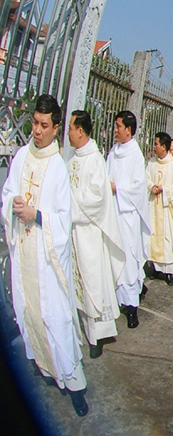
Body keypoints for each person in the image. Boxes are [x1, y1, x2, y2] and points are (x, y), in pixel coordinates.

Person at [1, 94, 89, 415]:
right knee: (31, 313)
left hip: (47, 258)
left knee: (57, 319)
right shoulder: (22, 155)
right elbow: (9, 191)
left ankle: (76, 385)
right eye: (35, 124)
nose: (37, 131)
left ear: (55, 128)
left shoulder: (58, 168)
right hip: (24, 250)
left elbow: (63, 220)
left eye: (43, 126)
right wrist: (13, 206)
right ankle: (48, 368)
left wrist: (36, 215)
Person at [66, 110, 126, 359]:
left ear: (80, 130)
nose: (67, 132)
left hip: (89, 232)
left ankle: (97, 335)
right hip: (74, 231)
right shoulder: (73, 159)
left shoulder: (94, 159)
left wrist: (68, 202)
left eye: (70, 127)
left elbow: (97, 198)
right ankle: (81, 329)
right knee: (77, 281)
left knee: (92, 282)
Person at [106, 111, 150, 329]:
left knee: (129, 261)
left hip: (128, 216)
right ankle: (115, 301)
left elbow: (137, 189)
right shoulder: (113, 152)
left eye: (118, 126)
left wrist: (117, 188)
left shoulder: (136, 155)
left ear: (128, 130)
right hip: (113, 213)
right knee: (113, 258)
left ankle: (132, 308)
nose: (115, 129)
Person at [146, 133, 173, 287]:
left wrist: (163, 189)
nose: (154, 147)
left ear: (164, 147)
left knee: (167, 239)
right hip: (153, 206)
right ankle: (155, 268)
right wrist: (150, 186)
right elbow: (146, 178)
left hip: (166, 209)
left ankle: (168, 272)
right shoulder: (151, 163)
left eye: (156, 144)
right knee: (153, 236)